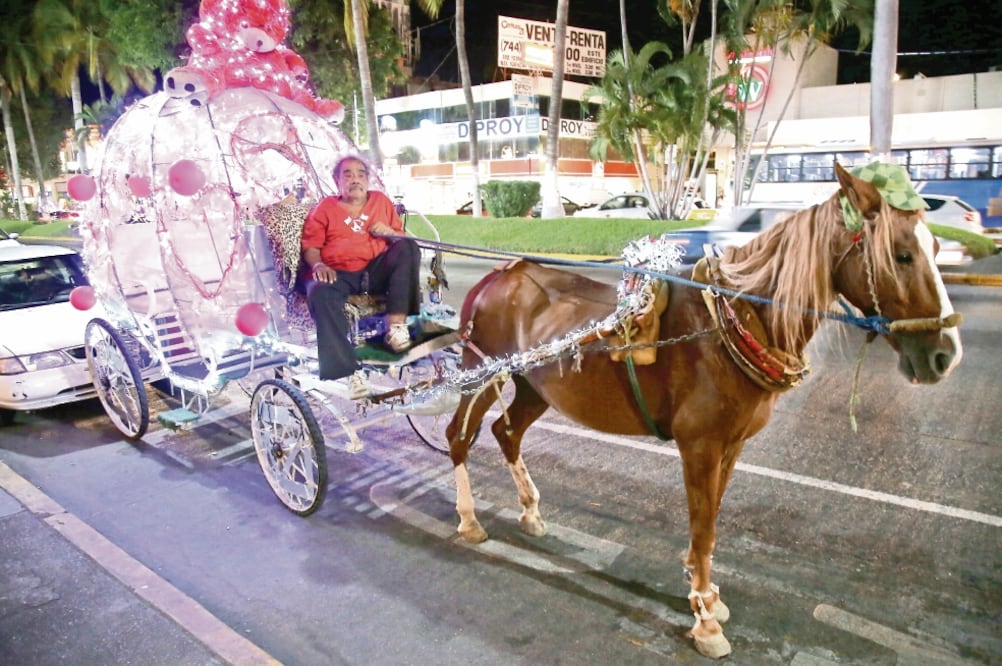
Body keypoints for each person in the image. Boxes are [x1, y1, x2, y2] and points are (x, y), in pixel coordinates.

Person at [301, 155, 421, 399]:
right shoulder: (324, 208)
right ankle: (350, 372)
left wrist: (390, 233)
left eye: (360, 174)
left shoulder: (380, 201)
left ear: (367, 179)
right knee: (318, 291)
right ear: (337, 181)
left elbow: (400, 237)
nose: (355, 179)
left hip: (375, 272)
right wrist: (318, 264)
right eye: (347, 174)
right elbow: (311, 247)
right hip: (339, 273)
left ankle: (396, 327)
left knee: (408, 246)